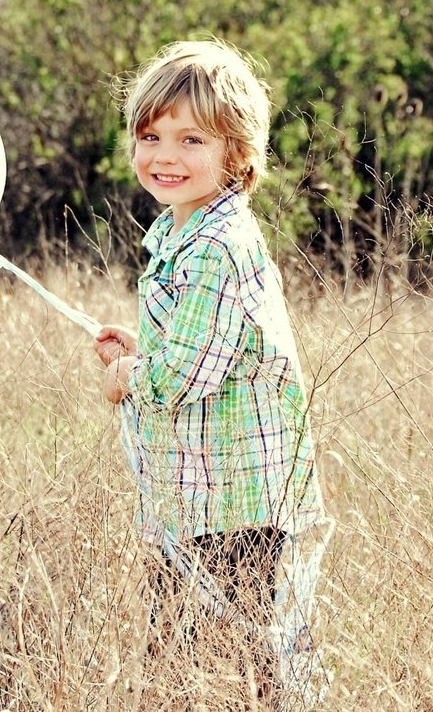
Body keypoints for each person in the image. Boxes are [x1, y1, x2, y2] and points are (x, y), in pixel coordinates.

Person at [93, 38, 327, 708]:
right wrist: (147, 346)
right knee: (183, 652)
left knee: (241, 657)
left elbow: (177, 380)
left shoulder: (217, 247)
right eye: (151, 135)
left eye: (192, 139)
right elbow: (209, 353)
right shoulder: (181, 235)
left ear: (238, 154)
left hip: (234, 500)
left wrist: (132, 374)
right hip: (196, 494)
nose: (165, 155)